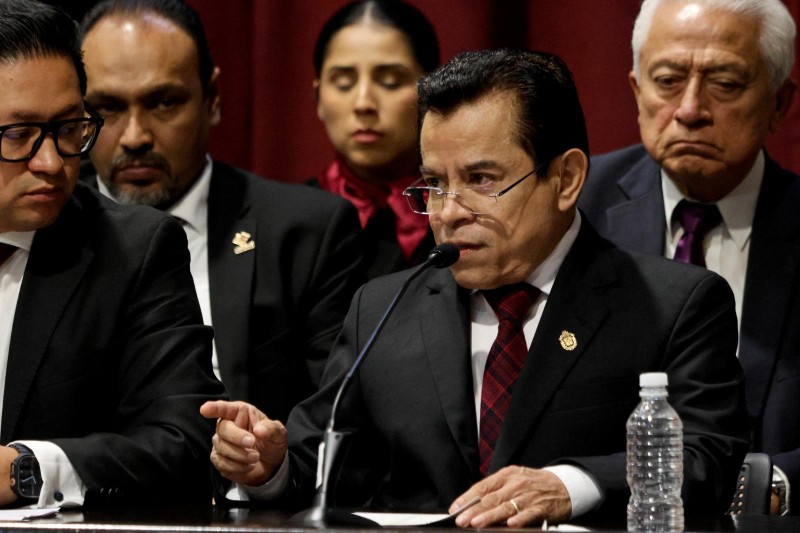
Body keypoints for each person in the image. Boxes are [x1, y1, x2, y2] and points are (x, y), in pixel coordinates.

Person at [201, 49, 750, 526]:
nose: (448, 213)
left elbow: (708, 458)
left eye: (481, 180)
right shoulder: (382, 309)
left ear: (566, 179)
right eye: (434, 184)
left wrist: (570, 484)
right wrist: (268, 465)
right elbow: (320, 464)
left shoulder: (673, 305)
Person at [79, 0, 365, 424]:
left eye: (164, 103)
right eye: (108, 109)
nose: (135, 137)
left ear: (212, 97)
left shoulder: (306, 233)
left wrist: (275, 457)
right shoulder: (46, 228)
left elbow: (337, 419)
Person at [0, 0, 226, 508]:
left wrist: (28, 469)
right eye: (18, 135)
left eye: (68, 129)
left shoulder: (132, 250)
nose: (51, 161)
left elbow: (185, 442)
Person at [577, 0, 799, 515]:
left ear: (779, 103)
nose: (690, 110)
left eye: (725, 83)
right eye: (667, 81)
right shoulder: (574, 209)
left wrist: (769, 486)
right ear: (637, 91)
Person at [310, 0, 437, 279]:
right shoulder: (289, 220)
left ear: (431, 92)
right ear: (318, 97)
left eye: (390, 81)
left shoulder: (464, 211)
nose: (363, 103)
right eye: (343, 83)